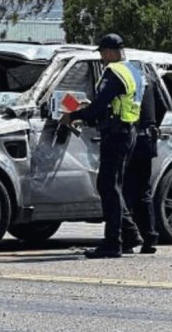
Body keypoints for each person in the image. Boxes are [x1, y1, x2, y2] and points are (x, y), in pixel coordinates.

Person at [61, 33, 143, 258]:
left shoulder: (113, 72)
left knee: (108, 187)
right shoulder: (133, 71)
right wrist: (94, 108)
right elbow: (115, 102)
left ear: (110, 52)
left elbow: (99, 107)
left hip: (116, 134)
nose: (101, 58)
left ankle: (112, 243)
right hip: (129, 131)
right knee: (113, 185)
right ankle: (130, 234)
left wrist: (74, 115)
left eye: (102, 53)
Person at [122, 72, 164, 254]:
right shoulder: (149, 78)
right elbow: (162, 105)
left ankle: (128, 239)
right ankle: (150, 238)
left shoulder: (122, 77)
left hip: (130, 137)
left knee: (126, 190)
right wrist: (152, 124)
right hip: (148, 138)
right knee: (144, 191)